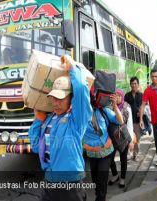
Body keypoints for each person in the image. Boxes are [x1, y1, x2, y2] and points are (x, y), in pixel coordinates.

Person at [28, 55, 92, 201]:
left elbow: (82, 89)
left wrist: (72, 67)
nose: (56, 102)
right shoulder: (49, 119)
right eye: (54, 98)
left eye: (61, 98)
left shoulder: (76, 120)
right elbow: (37, 146)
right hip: (49, 182)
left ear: (71, 98)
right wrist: (38, 121)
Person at [84, 88, 124, 201]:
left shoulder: (104, 110)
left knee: (102, 180)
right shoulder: (83, 113)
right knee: (95, 180)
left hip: (106, 153)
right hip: (92, 153)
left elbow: (120, 121)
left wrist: (115, 106)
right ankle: (99, 196)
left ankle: (101, 198)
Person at [108, 88, 134, 188]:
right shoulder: (110, 106)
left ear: (122, 96)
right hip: (112, 136)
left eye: (119, 96)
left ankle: (122, 178)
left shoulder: (127, 107)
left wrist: (130, 140)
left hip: (123, 136)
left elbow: (130, 124)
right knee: (110, 158)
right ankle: (115, 175)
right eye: (116, 95)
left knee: (123, 159)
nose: (118, 98)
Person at [124, 76, 143, 160]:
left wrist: (142, 113)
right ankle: (129, 153)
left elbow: (145, 106)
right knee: (128, 138)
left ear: (138, 84)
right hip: (128, 121)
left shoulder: (141, 95)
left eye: (135, 83)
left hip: (138, 121)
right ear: (130, 85)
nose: (134, 85)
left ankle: (135, 154)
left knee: (137, 139)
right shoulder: (127, 95)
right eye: (132, 84)